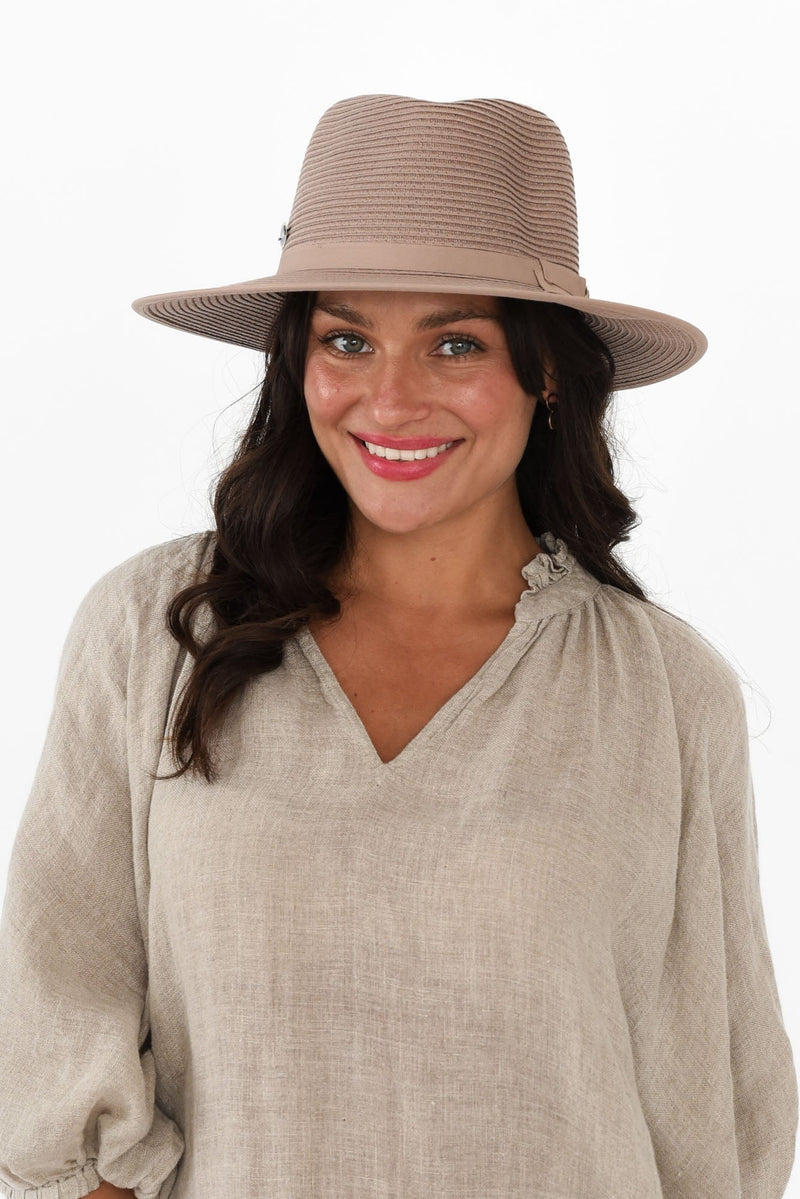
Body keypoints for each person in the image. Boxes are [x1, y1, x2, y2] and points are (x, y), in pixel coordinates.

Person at [0, 93, 797, 1199]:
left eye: (455, 342)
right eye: (346, 339)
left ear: (547, 370)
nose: (389, 399)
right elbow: (52, 1021)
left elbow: (717, 1112)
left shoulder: (664, 694)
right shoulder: (158, 633)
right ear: (298, 358)